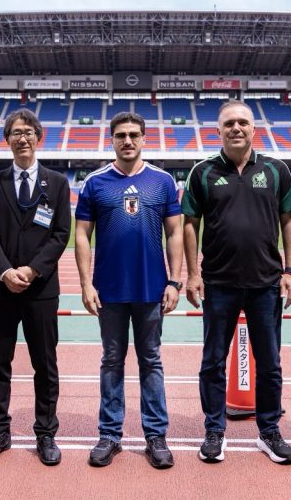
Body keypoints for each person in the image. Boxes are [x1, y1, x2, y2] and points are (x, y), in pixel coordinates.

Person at [181, 99, 291, 465]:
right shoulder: (202, 172)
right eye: (229, 123)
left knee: (270, 362)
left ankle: (269, 431)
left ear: (253, 129)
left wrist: (290, 271)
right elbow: (190, 223)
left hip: (266, 283)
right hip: (218, 282)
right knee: (213, 361)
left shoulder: (277, 169)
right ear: (218, 131)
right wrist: (193, 273)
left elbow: (289, 221)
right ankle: (214, 430)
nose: (236, 128)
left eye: (242, 123)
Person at [75, 112, 183, 469]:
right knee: (111, 361)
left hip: (152, 289)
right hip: (109, 291)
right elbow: (81, 235)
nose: (128, 141)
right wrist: (86, 283)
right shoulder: (95, 182)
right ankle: (109, 434)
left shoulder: (163, 181)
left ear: (144, 138)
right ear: (112, 139)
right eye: (121, 135)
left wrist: (174, 281)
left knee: (151, 360)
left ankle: (156, 436)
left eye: (134, 134)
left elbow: (175, 232)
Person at [0, 108, 71, 466]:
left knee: (45, 365)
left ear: (38, 137)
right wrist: (5, 272)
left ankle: (46, 432)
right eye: (15, 132)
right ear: (7, 140)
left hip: (41, 290)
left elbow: (61, 234)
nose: (22, 138)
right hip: (1, 290)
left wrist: (32, 271)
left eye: (28, 132)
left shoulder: (57, 183)